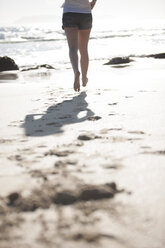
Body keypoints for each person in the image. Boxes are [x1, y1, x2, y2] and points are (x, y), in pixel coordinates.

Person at [62, 0, 97, 92]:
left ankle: (76, 72)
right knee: (84, 50)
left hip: (69, 12)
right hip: (85, 13)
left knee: (73, 48)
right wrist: (93, 2)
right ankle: (84, 78)